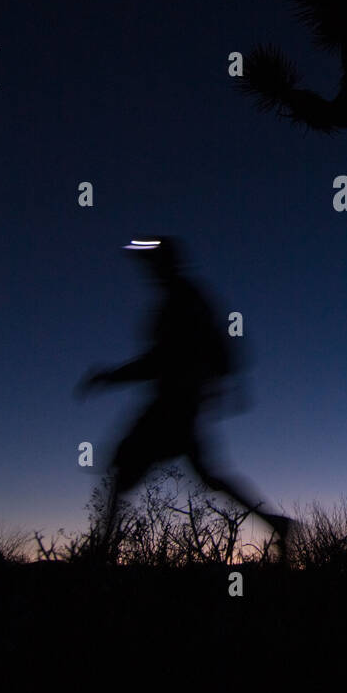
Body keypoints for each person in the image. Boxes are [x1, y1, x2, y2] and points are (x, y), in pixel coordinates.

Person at [75, 236, 294, 555]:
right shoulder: (184, 298)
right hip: (183, 402)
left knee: (125, 469)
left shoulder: (182, 300)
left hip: (175, 403)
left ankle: (99, 553)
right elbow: (210, 351)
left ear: (165, 263)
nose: (147, 270)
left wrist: (110, 376)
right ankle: (275, 523)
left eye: (151, 262)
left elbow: (166, 358)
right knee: (206, 475)